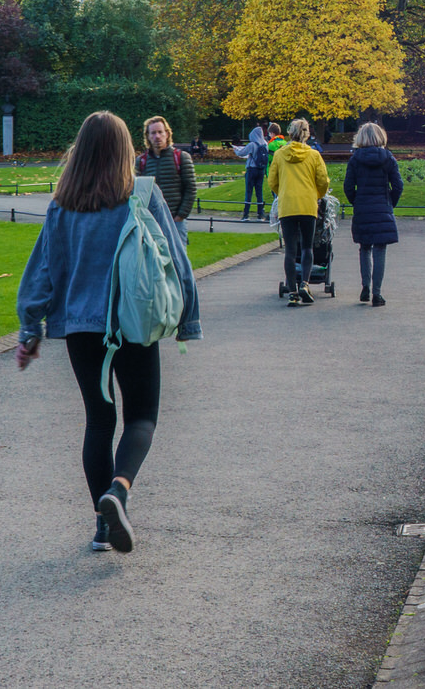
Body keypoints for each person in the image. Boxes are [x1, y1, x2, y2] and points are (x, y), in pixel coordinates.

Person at [14, 111, 200, 555]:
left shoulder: (63, 204)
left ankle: (102, 526)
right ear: (124, 150)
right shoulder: (143, 194)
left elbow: (42, 269)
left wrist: (30, 330)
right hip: (133, 321)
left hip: (81, 327)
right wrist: (187, 320)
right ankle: (118, 490)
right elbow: (174, 259)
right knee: (141, 417)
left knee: (99, 421)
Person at [268, 118, 330, 306]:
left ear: (290, 133)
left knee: (290, 249)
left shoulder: (279, 155)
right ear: (306, 134)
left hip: (287, 205)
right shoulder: (313, 155)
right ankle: (305, 282)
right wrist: (316, 195)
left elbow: (272, 181)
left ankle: (293, 291)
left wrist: (283, 192)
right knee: (307, 247)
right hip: (307, 205)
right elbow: (323, 181)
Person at [343, 122, 403, 307]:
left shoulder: (355, 159)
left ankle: (365, 287)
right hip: (382, 207)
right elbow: (398, 185)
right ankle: (377, 293)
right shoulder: (388, 158)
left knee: (365, 248)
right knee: (380, 250)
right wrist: (389, 203)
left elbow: (348, 186)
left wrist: (357, 201)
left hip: (363, 208)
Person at [136, 116, 197, 248]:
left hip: (175, 220)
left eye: (160, 132)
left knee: (178, 263)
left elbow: (190, 189)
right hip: (151, 222)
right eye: (153, 133)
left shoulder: (181, 157)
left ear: (167, 133)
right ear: (148, 136)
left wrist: (180, 216)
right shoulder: (141, 161)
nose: (157, 136)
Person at [240, 126, 270, 221]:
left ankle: (246, 214)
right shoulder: (265, 144)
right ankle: (260, 214)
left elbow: (241, 153)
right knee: (259, 192)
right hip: (261, 170)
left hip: (252, 169)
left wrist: (236, 149)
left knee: (248, 192)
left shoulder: (252, 144)